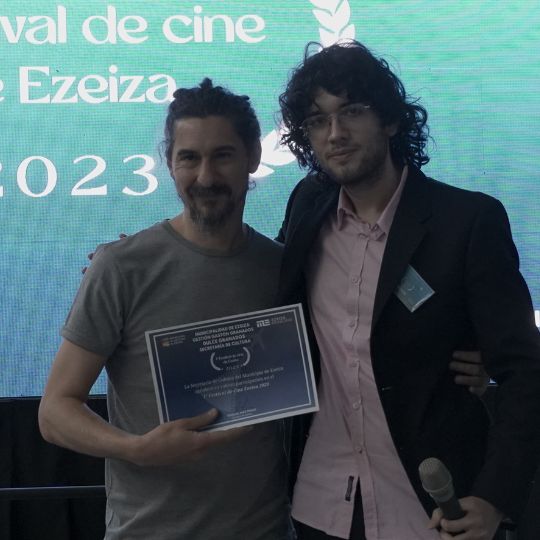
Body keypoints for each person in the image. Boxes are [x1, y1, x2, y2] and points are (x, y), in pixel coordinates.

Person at [276, 41, 540, 540]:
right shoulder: (307, 206)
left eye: (352, 111)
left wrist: (493, 499)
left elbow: (525, 371)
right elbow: (269, 284)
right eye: (317, 120)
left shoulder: (467, 221)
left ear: (392, 121)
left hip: (431, 509)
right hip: (320, 505)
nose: (335, 133)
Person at [38, 79, 293, 540]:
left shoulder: (284, 269)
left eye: (223, 155)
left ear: (254, 156)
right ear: (169, 164)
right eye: (189, 158)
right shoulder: (122, 267)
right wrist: (136, 448)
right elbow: (54, 411)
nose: (206, 177)